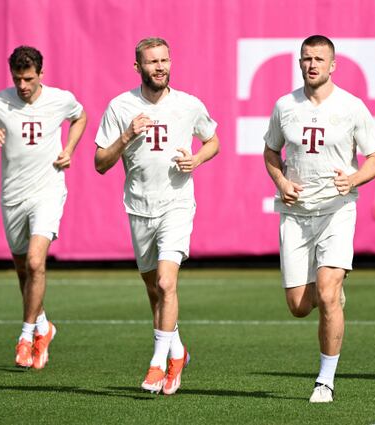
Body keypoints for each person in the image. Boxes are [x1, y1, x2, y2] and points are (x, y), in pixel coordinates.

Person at [94, 37, 219, 395]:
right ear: (138, 67)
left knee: (166, 282)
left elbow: (212, 141)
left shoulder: (188, 104)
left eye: (164, 60)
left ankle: (157, 363)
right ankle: (177, 352)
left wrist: (196, 159)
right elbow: (100, 163)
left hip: (177, 203)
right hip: (138, 206)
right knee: (154, 290)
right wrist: (127, 135)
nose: (160, 67)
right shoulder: (120, 106)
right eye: (152, 61)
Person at [263, 35, 375, 403]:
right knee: (299, 306)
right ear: (299, 63)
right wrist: (282, 182)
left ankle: (325, 381)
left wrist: (353, 179)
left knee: (328, 294)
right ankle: (330, 291)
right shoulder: (285, 106)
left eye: (319, 59)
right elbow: (270, 151)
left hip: (337, 210)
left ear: (333, 65)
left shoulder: (351, 107)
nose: (312, 64)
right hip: (296, 215)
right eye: (306, 58)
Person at [0, 46, 87, 369]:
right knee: (23, 269)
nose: (22, 85)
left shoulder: (60, 99)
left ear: (41, 74)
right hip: (12, 196)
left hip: (47, 191)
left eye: (29, 79)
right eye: (17, 79)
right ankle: (43, 326)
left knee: (36, 261)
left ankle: (25, 336)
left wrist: (69, 148)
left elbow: (80, 116)